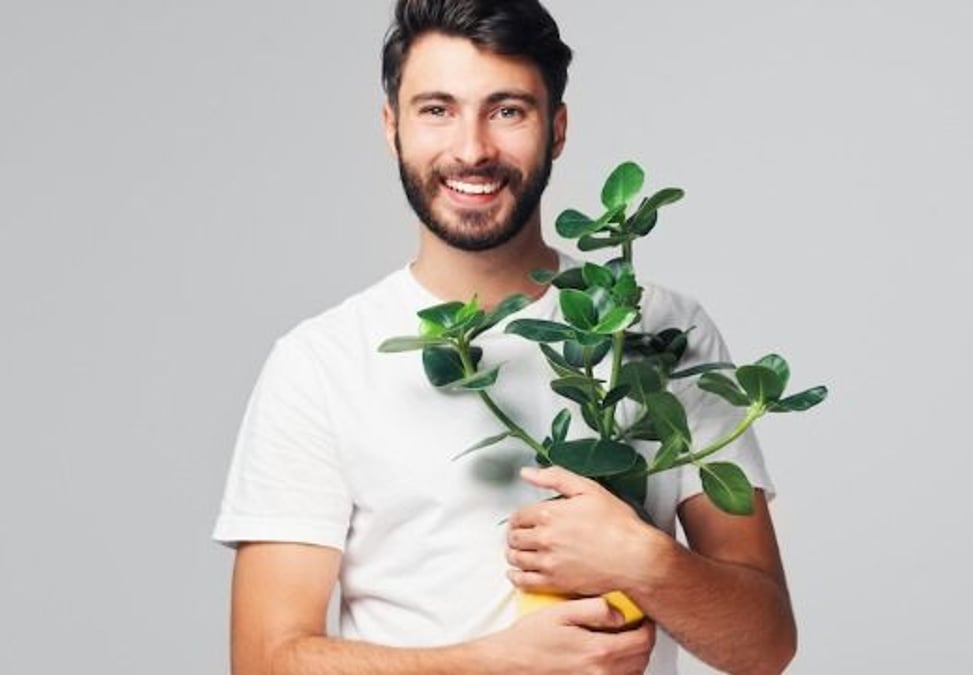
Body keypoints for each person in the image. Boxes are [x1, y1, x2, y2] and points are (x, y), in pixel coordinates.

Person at [212, 1, 796, 673]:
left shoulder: (661, 330)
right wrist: (498, 663)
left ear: (558, 128)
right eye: (437, 109)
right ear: (391, 128)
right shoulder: (320, 364)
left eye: (508, 110)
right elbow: (264, 659)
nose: (472, 149)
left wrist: (644, 559)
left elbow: (766, 644)